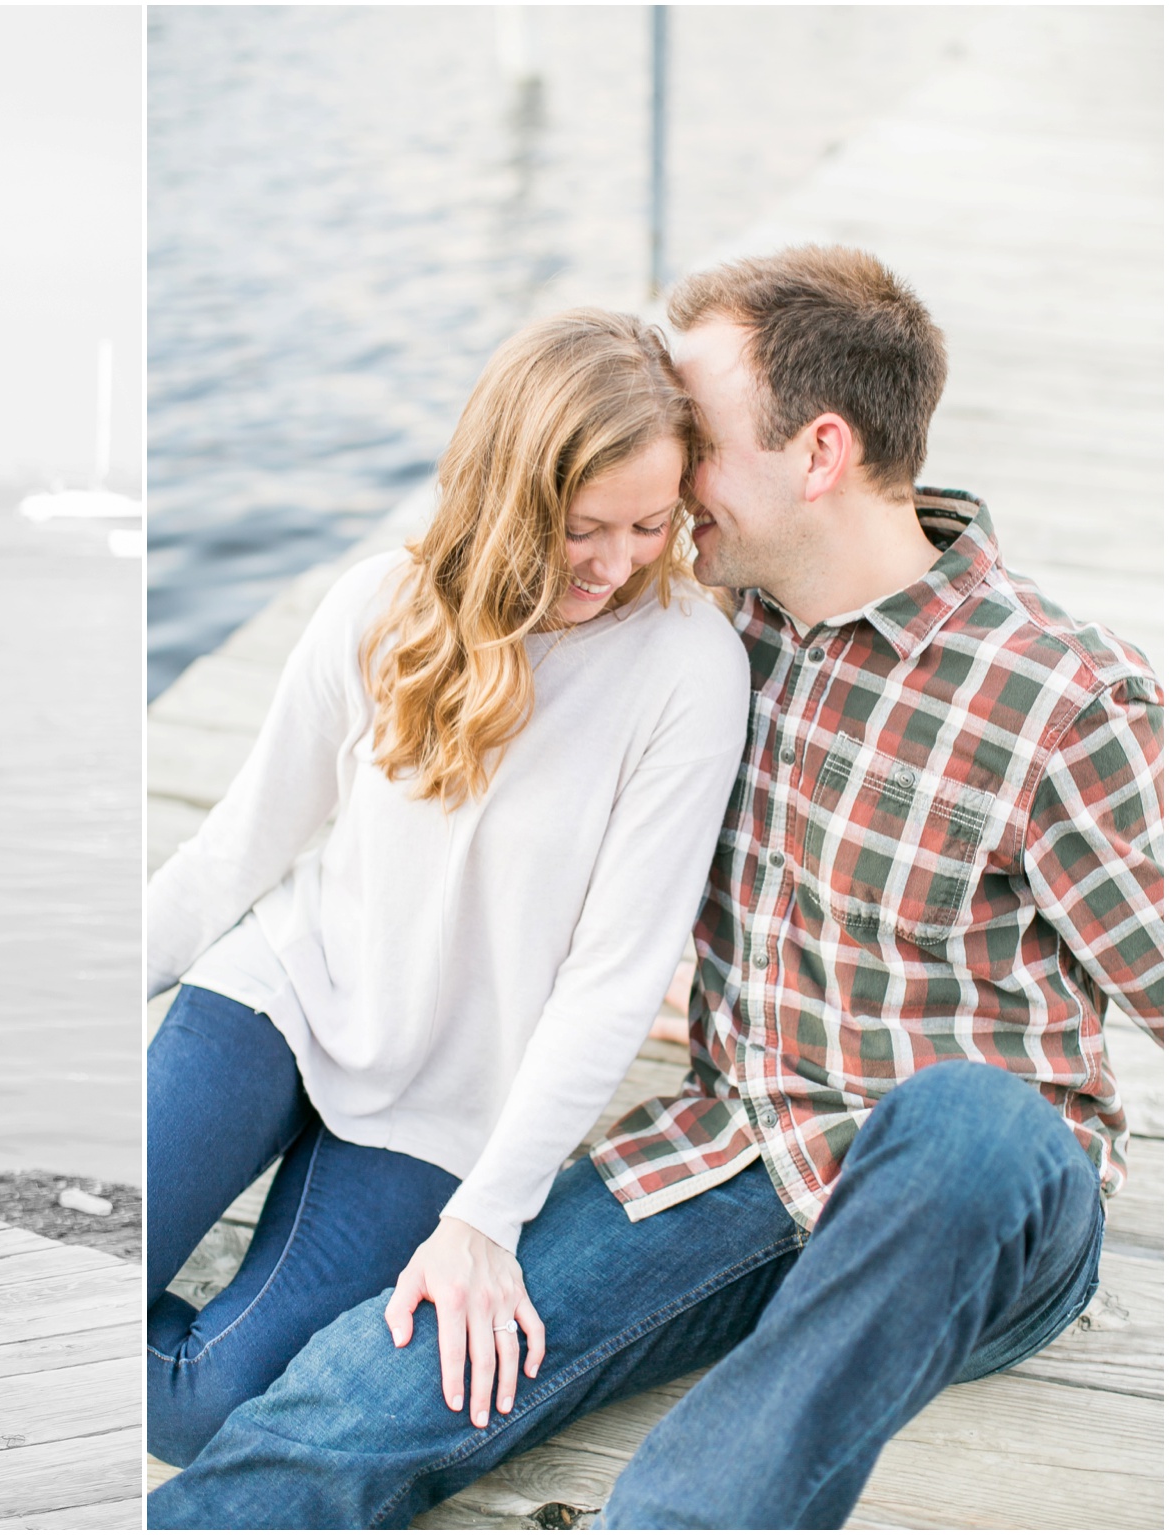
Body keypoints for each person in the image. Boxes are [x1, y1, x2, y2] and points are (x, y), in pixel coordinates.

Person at [149, 245, 1164, 1529]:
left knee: (965, 1116)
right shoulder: (710, 630)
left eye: (698, 440)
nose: (669, 486)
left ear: (818, 454)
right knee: (359, 1385)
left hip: (966, 1197)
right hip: (724, 1159)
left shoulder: (1060, 699)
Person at [145, 309, 752, 1464]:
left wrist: (488, 1212)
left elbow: (611, 982)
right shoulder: (380, 605)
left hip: (447, 1099)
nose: (616, 563)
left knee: (199, 1409)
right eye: (581, 527)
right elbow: (236, 847)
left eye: (649, 524)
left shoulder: (685, 665)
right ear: (509, 490)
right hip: (279, 991)